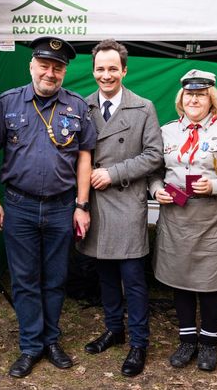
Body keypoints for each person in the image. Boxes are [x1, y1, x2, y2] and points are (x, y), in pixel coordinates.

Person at [0, 36, 96, 379]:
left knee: (56, 277)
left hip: (62, 207)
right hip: (19, 205)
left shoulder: (77, 106)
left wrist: (82, 205)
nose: (50, 73)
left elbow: (85, 157)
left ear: (65, 72)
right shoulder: (8, 102)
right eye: (44, 65)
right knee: (24, 279)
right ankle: (31, 345)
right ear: (31, 66)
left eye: (57, 68)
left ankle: (51, 340)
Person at [149, 70, 217, 371]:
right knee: (179, 281)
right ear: (181, 99)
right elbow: (153, 172)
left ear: (211, 100)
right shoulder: (166, 132)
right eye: (189, 95)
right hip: (176, 218)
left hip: (212, 220)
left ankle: (208, 343)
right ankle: (187, 340)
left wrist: (215, 186)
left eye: (201, 95)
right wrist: (156, 190)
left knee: (210, 283)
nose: (194, 99)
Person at [78, 39, 163, 377]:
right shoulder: (82, 106)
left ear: (124, 70)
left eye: (113, 68)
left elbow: (154, 156)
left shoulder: (143, 107)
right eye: (100, 69)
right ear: (93, 71)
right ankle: (114, 329)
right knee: (105, 273)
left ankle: (139, 342)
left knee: (133, 278)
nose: (106, 75)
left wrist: (113, 173)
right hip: (95, 203)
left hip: (126, 201)